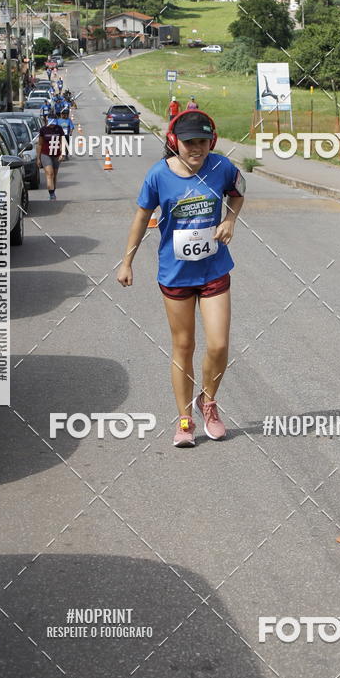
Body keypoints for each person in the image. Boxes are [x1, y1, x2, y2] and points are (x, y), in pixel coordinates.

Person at [117, 110, 246, 448]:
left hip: (214, 269)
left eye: (203, 141)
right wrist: (126, 261)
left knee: (218, 344)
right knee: (183, 346)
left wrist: (230, 220)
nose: (197, 148)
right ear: (175, 142)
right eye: (190, 142)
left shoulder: (221, 167)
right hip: (175, 274)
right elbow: (141, 217)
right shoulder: (158, 175)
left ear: (211, 141)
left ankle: (209, 401)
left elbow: (238, 193)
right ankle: (185, 417)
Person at [37, 113, 65, 200]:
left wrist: (62, 153)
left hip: (56, 154)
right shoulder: (43, 130)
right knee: (50, 173)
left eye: (54, 122)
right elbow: (40, 144)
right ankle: (51, 194)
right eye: (51, 121)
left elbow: (62, 142)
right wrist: (38, 158)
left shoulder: (59, 129)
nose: (52, 124)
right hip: (45, 154)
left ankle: (53, 191)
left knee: (54, 175)